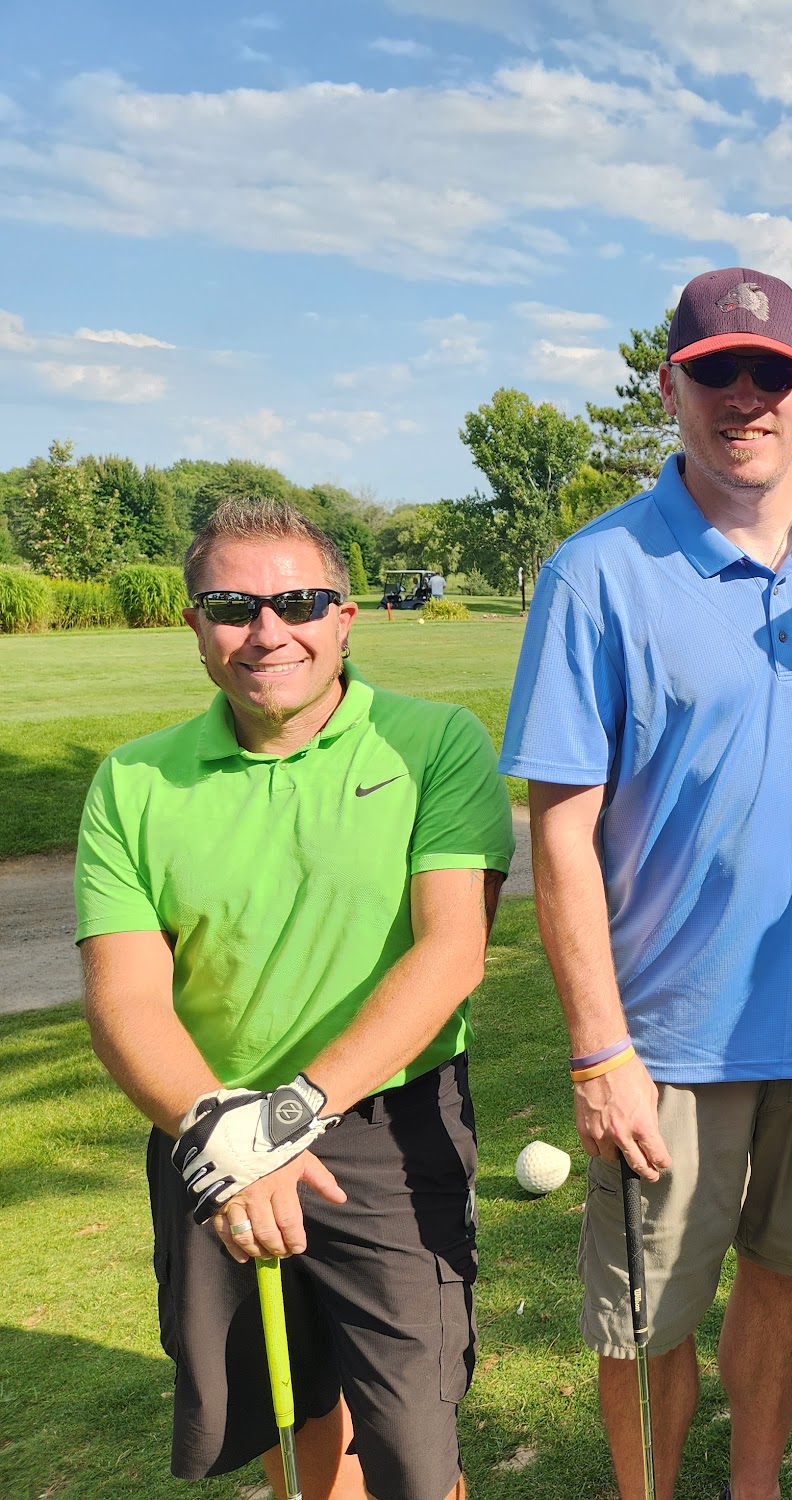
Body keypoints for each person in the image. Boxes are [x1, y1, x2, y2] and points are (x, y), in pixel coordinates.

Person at [499, 266, 792, 1500]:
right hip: (665, 1044)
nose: (745, 397)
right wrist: (597, 1050)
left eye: (771, 374)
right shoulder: (595, 572)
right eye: (716, 372)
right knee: (646, 1323)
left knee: (785, 1278)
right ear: (668, 387)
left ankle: (755, 1485)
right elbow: (560, 834)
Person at [77, 499, 515, 1500]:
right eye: (232, 607)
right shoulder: (133, 782)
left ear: (345, 618)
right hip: (206, 1126)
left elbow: (452, 952)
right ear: (195, 625)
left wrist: (286, 1119)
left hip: (384, 1125)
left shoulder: (434, 743)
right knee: (285, 1401)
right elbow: (124, 998)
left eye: (300, 603)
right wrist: (222, 1130)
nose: (268, 631)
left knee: (414, 1441)